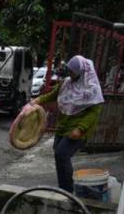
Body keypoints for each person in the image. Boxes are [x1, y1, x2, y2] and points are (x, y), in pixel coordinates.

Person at [31, 55, 104, 192]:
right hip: (63, 126)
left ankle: (68, 190)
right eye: (69, 70)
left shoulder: (92, 89)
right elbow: (53, 94)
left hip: (78, 130)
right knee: (59, 156)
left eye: (72, 71)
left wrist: (80, 128)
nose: (70, 74)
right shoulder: (66, 82)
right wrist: (38, 100)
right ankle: (63, 188)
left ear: (82, 72)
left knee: (62, 154)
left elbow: (94, 112)